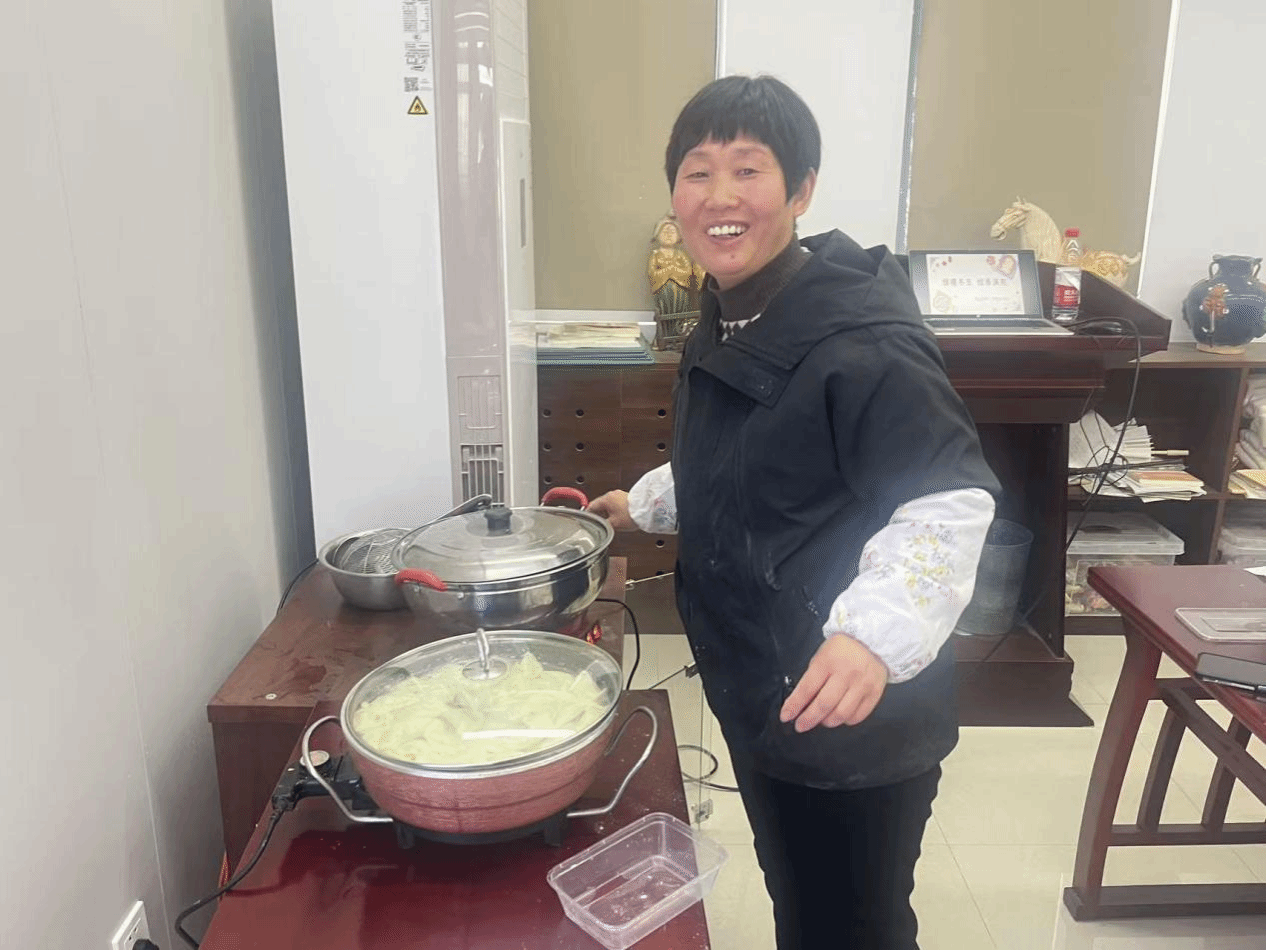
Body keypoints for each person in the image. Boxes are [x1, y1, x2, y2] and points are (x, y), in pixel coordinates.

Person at [588, 75, 1001, 950]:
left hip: (852, 713)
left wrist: (870, 638)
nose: (721, 196)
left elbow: (947, 501)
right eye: (698, 172)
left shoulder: (863, 340)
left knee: (853, 925)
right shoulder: (735, 310)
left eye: (749, 169)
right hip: (766, 687)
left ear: (802, 189)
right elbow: (747, 452)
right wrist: (644, 502)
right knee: (802, 906)